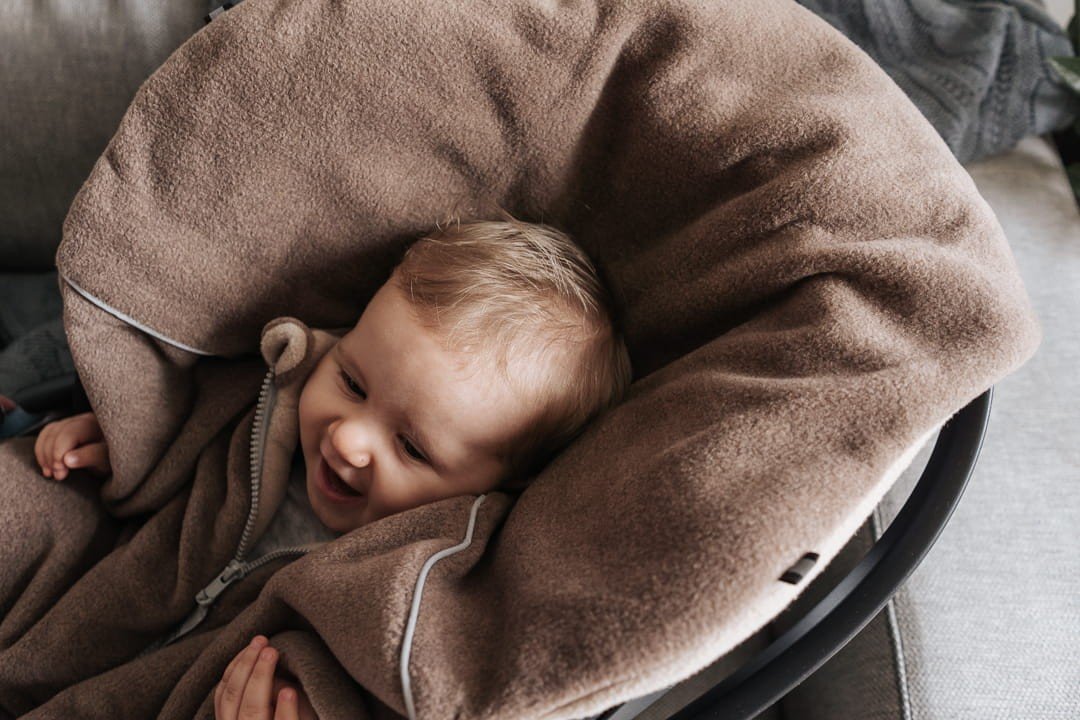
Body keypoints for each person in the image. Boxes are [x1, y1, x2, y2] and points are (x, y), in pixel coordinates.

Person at [31, 209, 633, 718]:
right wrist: (126, 437)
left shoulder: (426, 592)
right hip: (61, 631)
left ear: (505, 481)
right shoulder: (265, 389)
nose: (347, 439)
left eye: (412, 448)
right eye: (351, 381)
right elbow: (173, 412)